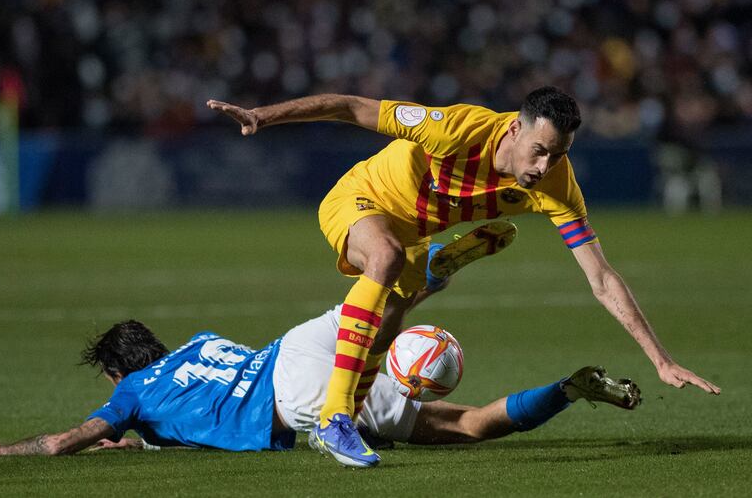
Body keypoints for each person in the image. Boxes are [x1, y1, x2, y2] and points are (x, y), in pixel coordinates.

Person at [205, 87, 721, 467]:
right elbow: (351, 106)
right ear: (515, 129)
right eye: (539, 150)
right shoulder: (453, 128)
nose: (544, 165)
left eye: (558, 154)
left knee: (386, 328)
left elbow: (602, 278)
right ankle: (335, 417)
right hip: (361, 201)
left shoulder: (557, 188)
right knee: (382, 258)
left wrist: (660, 358)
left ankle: (416, 294)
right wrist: (261, 115)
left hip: (415, 234)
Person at [0, 297, 642, 463]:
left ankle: (337, 430)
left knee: (461, 428)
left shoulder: (132, 393)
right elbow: (188, 414)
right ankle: (565, 387)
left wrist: (4, 451)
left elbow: (61, 443)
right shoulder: (201, 341)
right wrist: (140, 440)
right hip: (294, 347)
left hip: (296, 398)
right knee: (377, 301)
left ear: (117, 371)